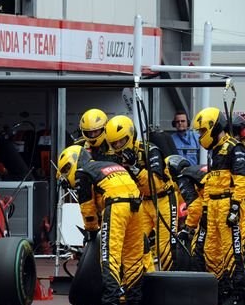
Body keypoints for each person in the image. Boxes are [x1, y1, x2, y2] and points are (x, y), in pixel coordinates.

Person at [57, 145, 144, 305]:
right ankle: (135, 300)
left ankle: (111, 300)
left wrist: (91, 231)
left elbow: (87, 207)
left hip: (117, 206)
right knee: (133, 259)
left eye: (65, 170)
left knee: (109, 257)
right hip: (137, 206)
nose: (67, 176)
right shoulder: (109, 166)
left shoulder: (82, 172)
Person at [105, 115, 179, 272]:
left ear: (131, 135)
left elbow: (156, 184)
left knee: (165, 248)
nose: (118, 146)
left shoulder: (149, 150)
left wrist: (134, 168)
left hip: (164, 199)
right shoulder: (115, 158)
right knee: (137, 244)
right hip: (142, 203)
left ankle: (171, 285)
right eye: (114, 143)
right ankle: (146, 279)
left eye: (121, 141)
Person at [192, 107, 245, 304]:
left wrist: (234, 208)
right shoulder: (214, 150)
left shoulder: (234, 147)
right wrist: (205, 209)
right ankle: (219, 290)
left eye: (202, 131)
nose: (200, 136)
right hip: (212, 206)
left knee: (231, 251)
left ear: (214, 127)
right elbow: (210, 182)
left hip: (227, 204)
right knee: (211, 251)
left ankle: (237, 295)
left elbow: (241, 181)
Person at [165, 155, 208, 272]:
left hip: (216, 209)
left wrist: (188, 228)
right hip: (234, 204)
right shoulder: (196, 171)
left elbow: (195, 208)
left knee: (197, 249)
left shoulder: (183, 177)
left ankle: (200, 284)